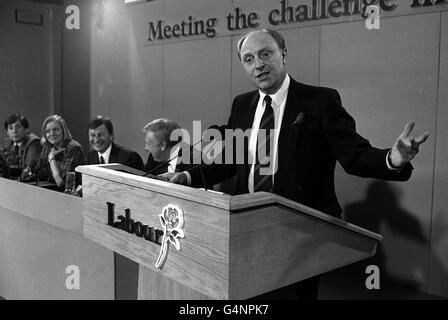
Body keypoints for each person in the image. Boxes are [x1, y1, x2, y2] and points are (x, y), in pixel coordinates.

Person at [163, 29, 429, 299]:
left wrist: (393, 159)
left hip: (302, 231)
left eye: (266, 54)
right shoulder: (242, 105)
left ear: (284, 55)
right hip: (251, 225)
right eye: (249, 58)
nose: (259, 64)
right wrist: (186, 177)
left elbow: (354, 155)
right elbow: (232, 161)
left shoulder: (320, 101)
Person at [37, 115, 86, 189]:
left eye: (55, 129)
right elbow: (39, 174)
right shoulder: (48, 146)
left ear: (63, 130)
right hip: (52, 191)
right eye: (48, 131)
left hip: (71, 194)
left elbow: (61, 182)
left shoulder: (73, 148)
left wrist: (51, 159)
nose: (52, 134)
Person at [2, 114, 42, 179]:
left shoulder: (34, 142)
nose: (14, 131)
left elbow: (28, 168)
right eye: (10, 128)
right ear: (7, 132)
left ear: (26, 129)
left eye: (18, 127)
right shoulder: (8, 143)